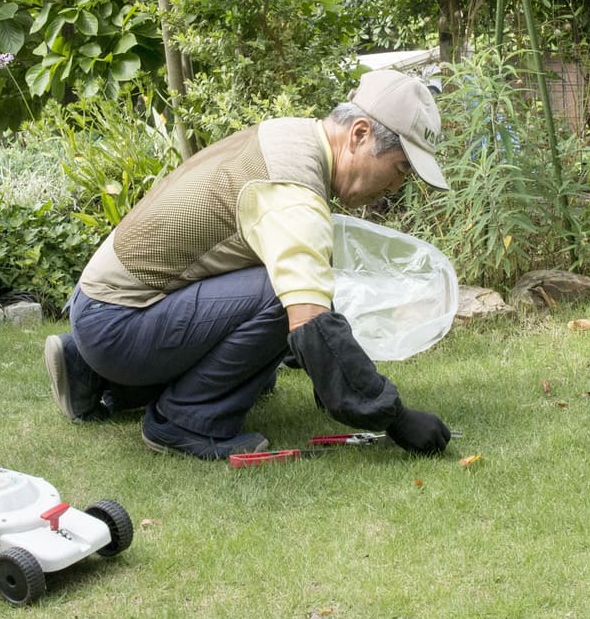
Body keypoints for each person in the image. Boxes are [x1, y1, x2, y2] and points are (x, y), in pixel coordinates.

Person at [43, 69, 456, 460]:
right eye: (400, 168)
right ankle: (185, 421)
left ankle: (91, 372)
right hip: (119, 323)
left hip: (103, 304)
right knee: (283, 296)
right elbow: (309, 319)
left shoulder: (291, 136)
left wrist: (302, 359)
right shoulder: (292, 194)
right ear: (359, 134)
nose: (397, 186)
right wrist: (394, 417)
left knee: (266, 354)